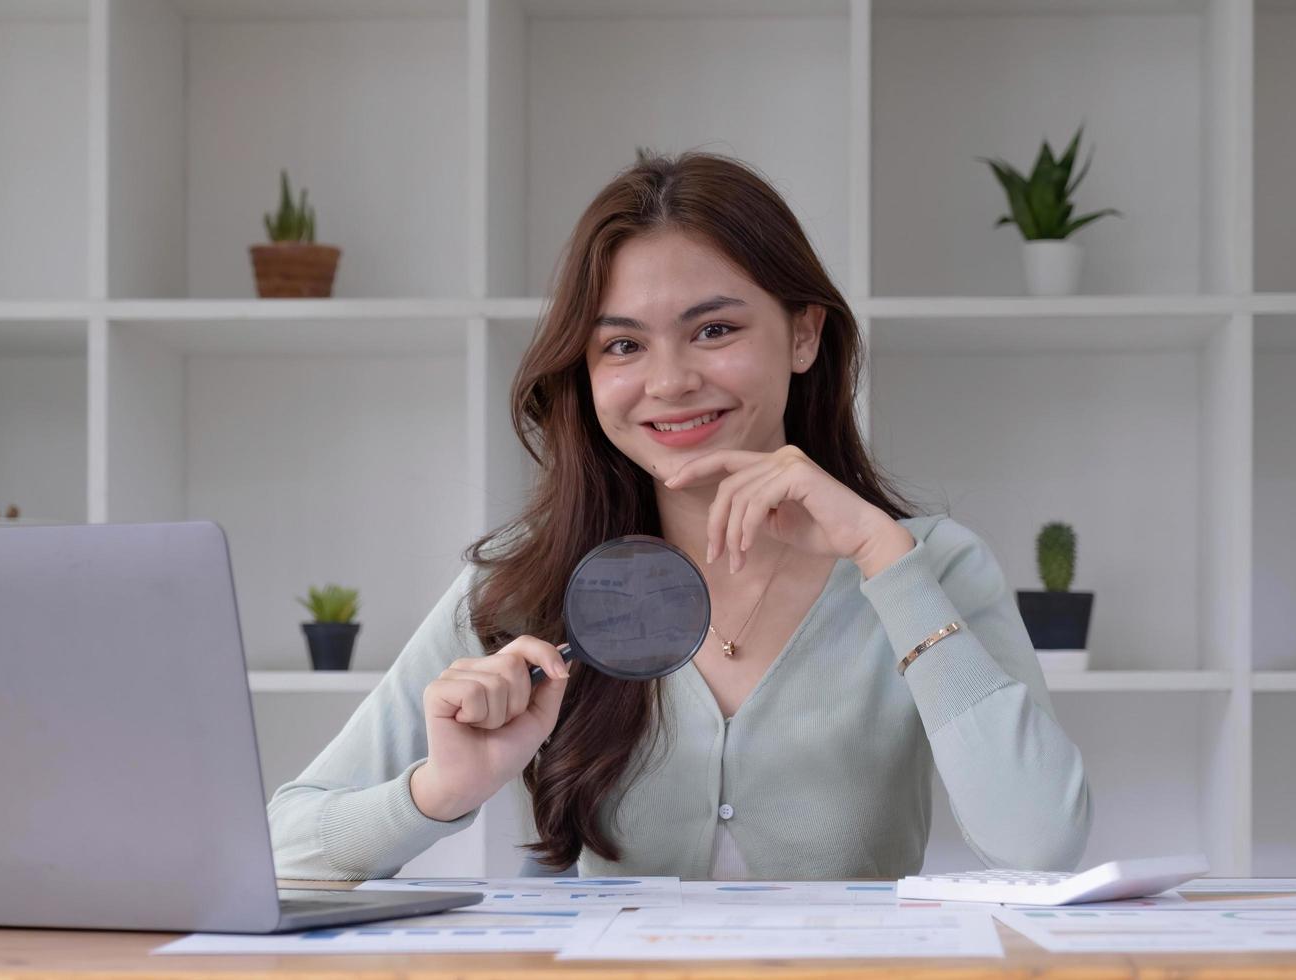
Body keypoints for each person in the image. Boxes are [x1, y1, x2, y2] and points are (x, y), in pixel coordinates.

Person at [267, 151, 1092, 881]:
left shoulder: (930, 565)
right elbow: (286, 845)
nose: (669, 381)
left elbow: (1040, 845)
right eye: (622, 345)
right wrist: (442, 791)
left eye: (714, 329)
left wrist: (883, 555)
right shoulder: (524, 579)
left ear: (804, 334)